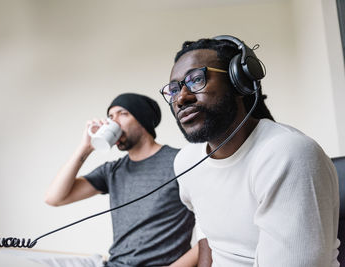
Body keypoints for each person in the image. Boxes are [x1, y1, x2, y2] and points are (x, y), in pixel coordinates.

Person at [161, 35, 340, 267]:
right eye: (174, 90)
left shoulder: (288, 154)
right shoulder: (186, 161)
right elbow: (207, 232)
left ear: (239, 83)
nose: (182, 98)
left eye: (196, 80)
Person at [45, 93, 196, 267]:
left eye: (122, 114)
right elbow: (54, 198)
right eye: (110, 116)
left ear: (142, 120)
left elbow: (210, 233)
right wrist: (85, 148)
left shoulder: (181, 161)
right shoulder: (112, 170)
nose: (113, 122)